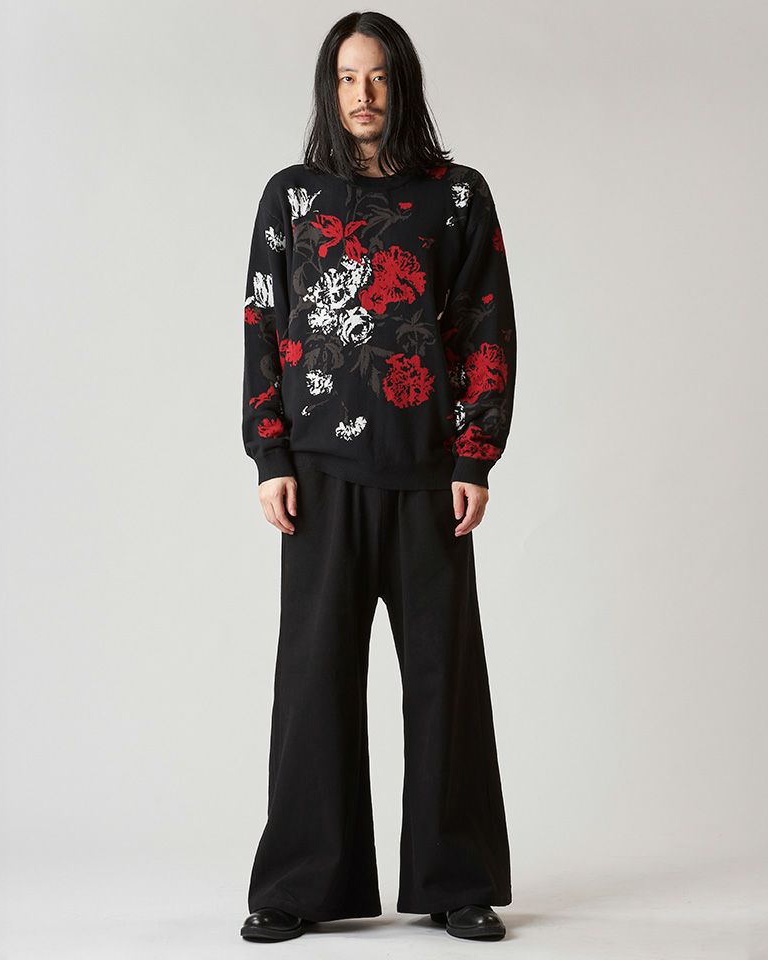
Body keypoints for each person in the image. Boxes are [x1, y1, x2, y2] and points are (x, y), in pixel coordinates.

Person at [238, 10, 517, 944]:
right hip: (318, 479)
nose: (363, 95)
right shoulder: (291, 197)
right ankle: (298, 885)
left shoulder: (457, 196)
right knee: (313, 683)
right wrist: (270, 455)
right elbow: (263, 323)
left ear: (403, 85)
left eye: (380, 77)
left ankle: (456, 881)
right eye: (348, 77)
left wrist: (475, 454)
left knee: (444, 683)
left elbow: (485, 325)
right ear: (330, 88)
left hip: (429, 474)